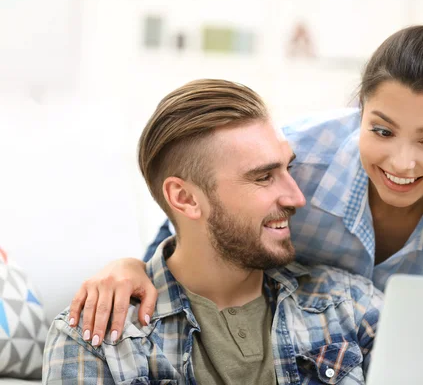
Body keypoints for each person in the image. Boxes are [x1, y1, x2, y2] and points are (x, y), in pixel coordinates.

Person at [68, 9, 423, 344]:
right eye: (382, 129)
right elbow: (194, 225)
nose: (401, 163)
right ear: (360, 110)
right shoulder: (295, 161)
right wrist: (134, 266)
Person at [43, 79, 383, 384]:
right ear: (186, 198)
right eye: (263, 177)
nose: (297, 197)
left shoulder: (351, 308)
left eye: (288, 167)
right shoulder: (97, 341)